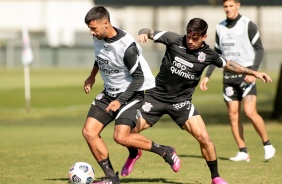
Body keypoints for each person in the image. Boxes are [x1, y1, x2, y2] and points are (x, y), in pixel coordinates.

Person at [120, 18, 273, 184]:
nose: (190, 41)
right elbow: (148, 31)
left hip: (181, 103)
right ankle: (136, 153)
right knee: (127, 133)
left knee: (204, 138)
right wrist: (143, 33)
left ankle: (215, 177)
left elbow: (228, 64)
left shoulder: (208, 55)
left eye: (195, 38)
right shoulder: (173, 39)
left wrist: (253, 73)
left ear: (204, 37)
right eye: (189, 36)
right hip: (155, 97)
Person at [82, 5, 181, 184]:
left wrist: (120, 101)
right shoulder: (99, 37)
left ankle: (165, 151)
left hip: (131, 93)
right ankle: (112, 178)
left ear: (106, 23)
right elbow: (99, 57)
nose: (91, 32)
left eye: (93, 28)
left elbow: (138, 78)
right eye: (89, 28)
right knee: (89, 132)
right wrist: (91, 76)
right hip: (109, 93)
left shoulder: (126, 47)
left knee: (120, 137)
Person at [199, 0, 276, 162]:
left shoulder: (247, 24)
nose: (228, 9)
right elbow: (217, 54)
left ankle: (267, 144)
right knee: (232, 115)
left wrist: (253, 71)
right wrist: (208, 75)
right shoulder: (220, 27)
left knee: (249, 112)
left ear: (238, 5)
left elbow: (259, 48)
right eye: (225, 7)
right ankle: (243, 151)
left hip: (246, 74)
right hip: (228, 76)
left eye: (231, 6)